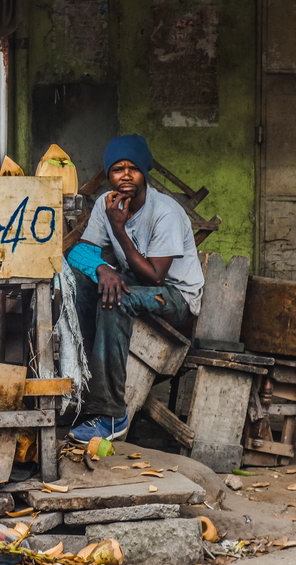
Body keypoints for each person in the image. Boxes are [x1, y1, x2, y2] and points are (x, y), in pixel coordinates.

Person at [65, 134, 204, 443]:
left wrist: (118, 228)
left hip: (175, 295)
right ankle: (81, 387)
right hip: (139, 283)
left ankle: (112, 415)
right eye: (117, 169)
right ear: (109, 175)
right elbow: (79, 252)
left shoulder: (165, 212)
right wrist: (102, 268)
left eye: (133, 168)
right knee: (77, 280)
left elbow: (156, 276)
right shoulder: (106, 203)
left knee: (115, 300)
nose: (125, 175)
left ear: (145, 173)